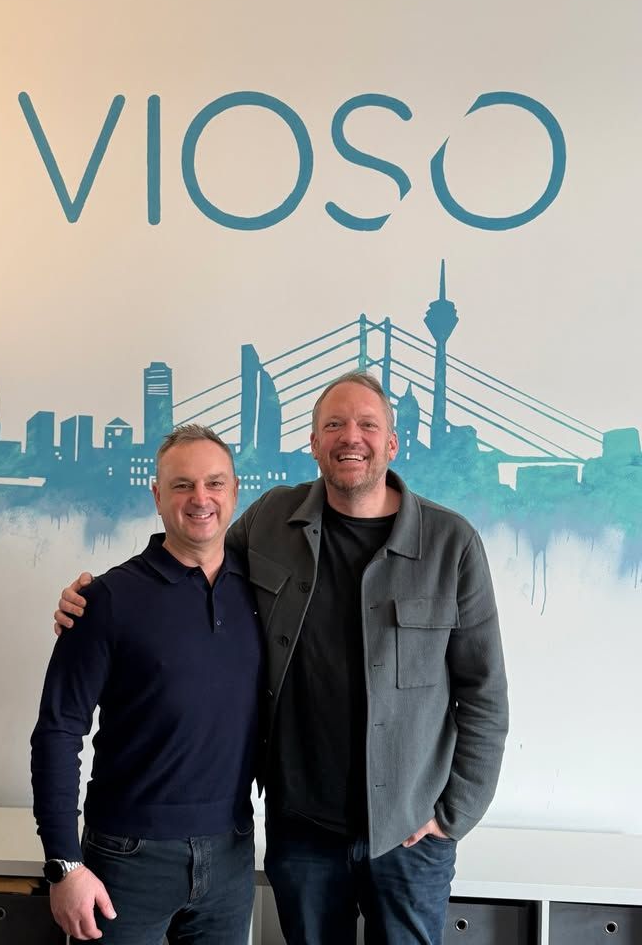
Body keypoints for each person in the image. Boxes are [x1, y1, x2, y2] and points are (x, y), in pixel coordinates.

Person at [55, 372, 509, 945]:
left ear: (393, 443)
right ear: (313, 443)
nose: (351, 437)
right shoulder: (271, 519)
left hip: (409, 833)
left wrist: (453, 815)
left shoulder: (452, 543)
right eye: (334, 425)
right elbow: (196, 559)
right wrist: (97, 599)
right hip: (302, 830)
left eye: (368, 425)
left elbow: (484, 694)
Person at [32, 425, 263, 944]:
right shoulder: (106, 600)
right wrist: (63, 864)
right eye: (182, 485)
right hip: (126, 857)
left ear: (234, 491)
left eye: (214, 483)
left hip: (232, 853)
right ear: (157, 496)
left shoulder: (263, 592)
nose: (200, 498)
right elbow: (58, 731)